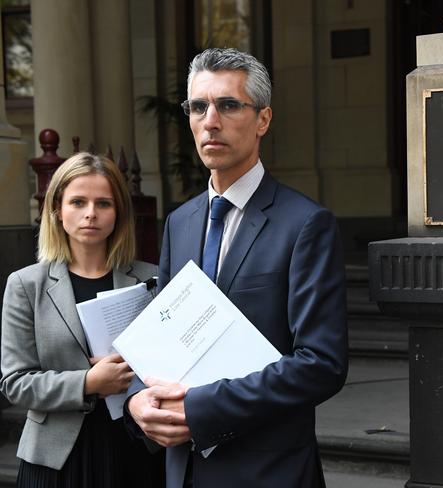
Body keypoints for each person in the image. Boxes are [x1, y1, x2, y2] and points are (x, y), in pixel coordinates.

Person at [126, 47, 348, 487]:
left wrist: (201, 407)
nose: (211, 120)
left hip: (267, 470)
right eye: (198, 106)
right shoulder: (180, 222)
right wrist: (136, 400)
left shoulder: (305, 224)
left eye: (228, 105)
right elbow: (162, 339)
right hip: (184, 470)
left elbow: (321, 364)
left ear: (262, 119)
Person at [0, 153, 165, 488]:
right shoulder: (26, 285)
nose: (91, 213)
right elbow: (15, 383)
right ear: (57, 210)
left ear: (118, 212)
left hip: (134, 448)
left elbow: (172, 365)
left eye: (103, 203)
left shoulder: (152, 280)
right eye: (78, 202)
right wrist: (88, 383)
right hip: (55, 458)